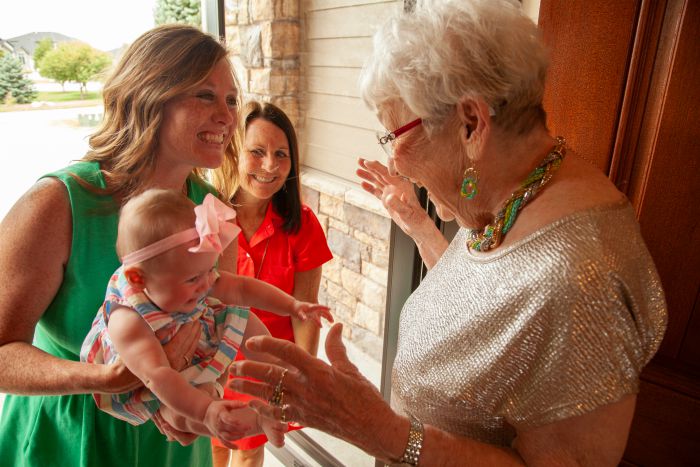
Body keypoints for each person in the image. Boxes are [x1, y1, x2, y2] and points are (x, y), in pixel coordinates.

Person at [226, 1, 668, 465]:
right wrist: (419, 224)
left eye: (395, 133)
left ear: (471, 123)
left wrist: (376, 428)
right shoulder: (504, 201)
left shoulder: (582, 275)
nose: (394, 160)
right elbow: (488, 301)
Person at [0, 24, 244, 467]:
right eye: (205, 95)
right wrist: (105, 378)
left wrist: (197, 401)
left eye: (231, 100)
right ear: (149, 96)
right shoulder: (57, 203)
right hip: (68, 436)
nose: (227, 116)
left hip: (167, 445)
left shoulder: (214, 214)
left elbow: (214, 328)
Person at [80, 189, 332, 447]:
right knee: (177, 415)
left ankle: (290, 375)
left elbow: (242, 288)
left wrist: (293, 306)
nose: (206, 284)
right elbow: (157, 375)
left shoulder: (192, 272)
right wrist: (205, 410)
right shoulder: (127, 320)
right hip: (162, 383)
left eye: (209, 270)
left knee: (242, 318)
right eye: (193, 279)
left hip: (190, 328)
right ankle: (258, 421)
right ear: (138, 279)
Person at [209, 101, 333, 467]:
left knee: (248, 452)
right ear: (235, 153)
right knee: (211, 447)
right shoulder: (208, 214)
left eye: (281, 154)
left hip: (266, 367)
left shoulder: (303, 223)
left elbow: (306, 309)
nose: (270, 166)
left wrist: (303, 373)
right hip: (214, 359)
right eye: (257, 152)